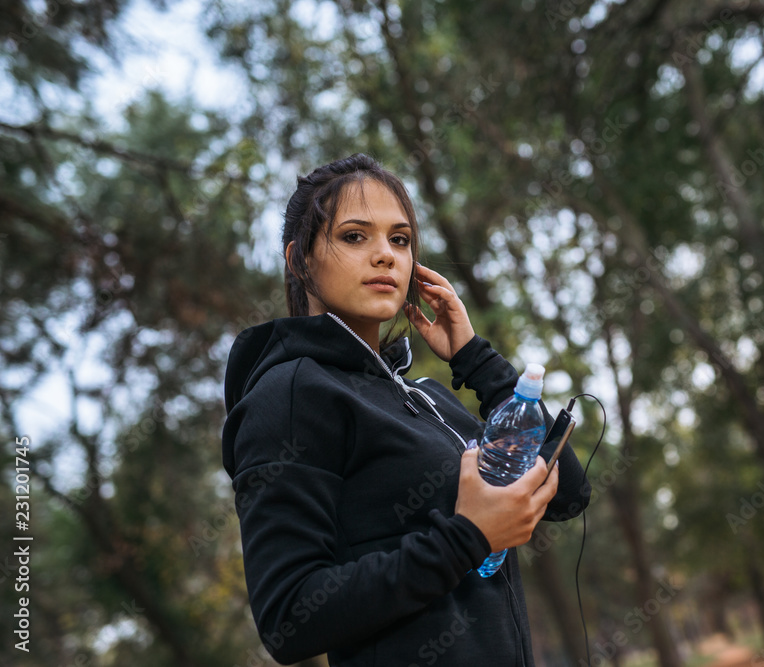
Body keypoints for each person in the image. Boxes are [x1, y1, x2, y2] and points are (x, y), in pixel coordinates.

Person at [221, 153, 591, 667]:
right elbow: (288, 617)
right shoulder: (290, 394)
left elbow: (566, 494)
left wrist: (475, 359)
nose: (385, 256)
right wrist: (467, 538)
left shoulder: (426, 398)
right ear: (299, 259)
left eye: (400, 239)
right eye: (355, 236)